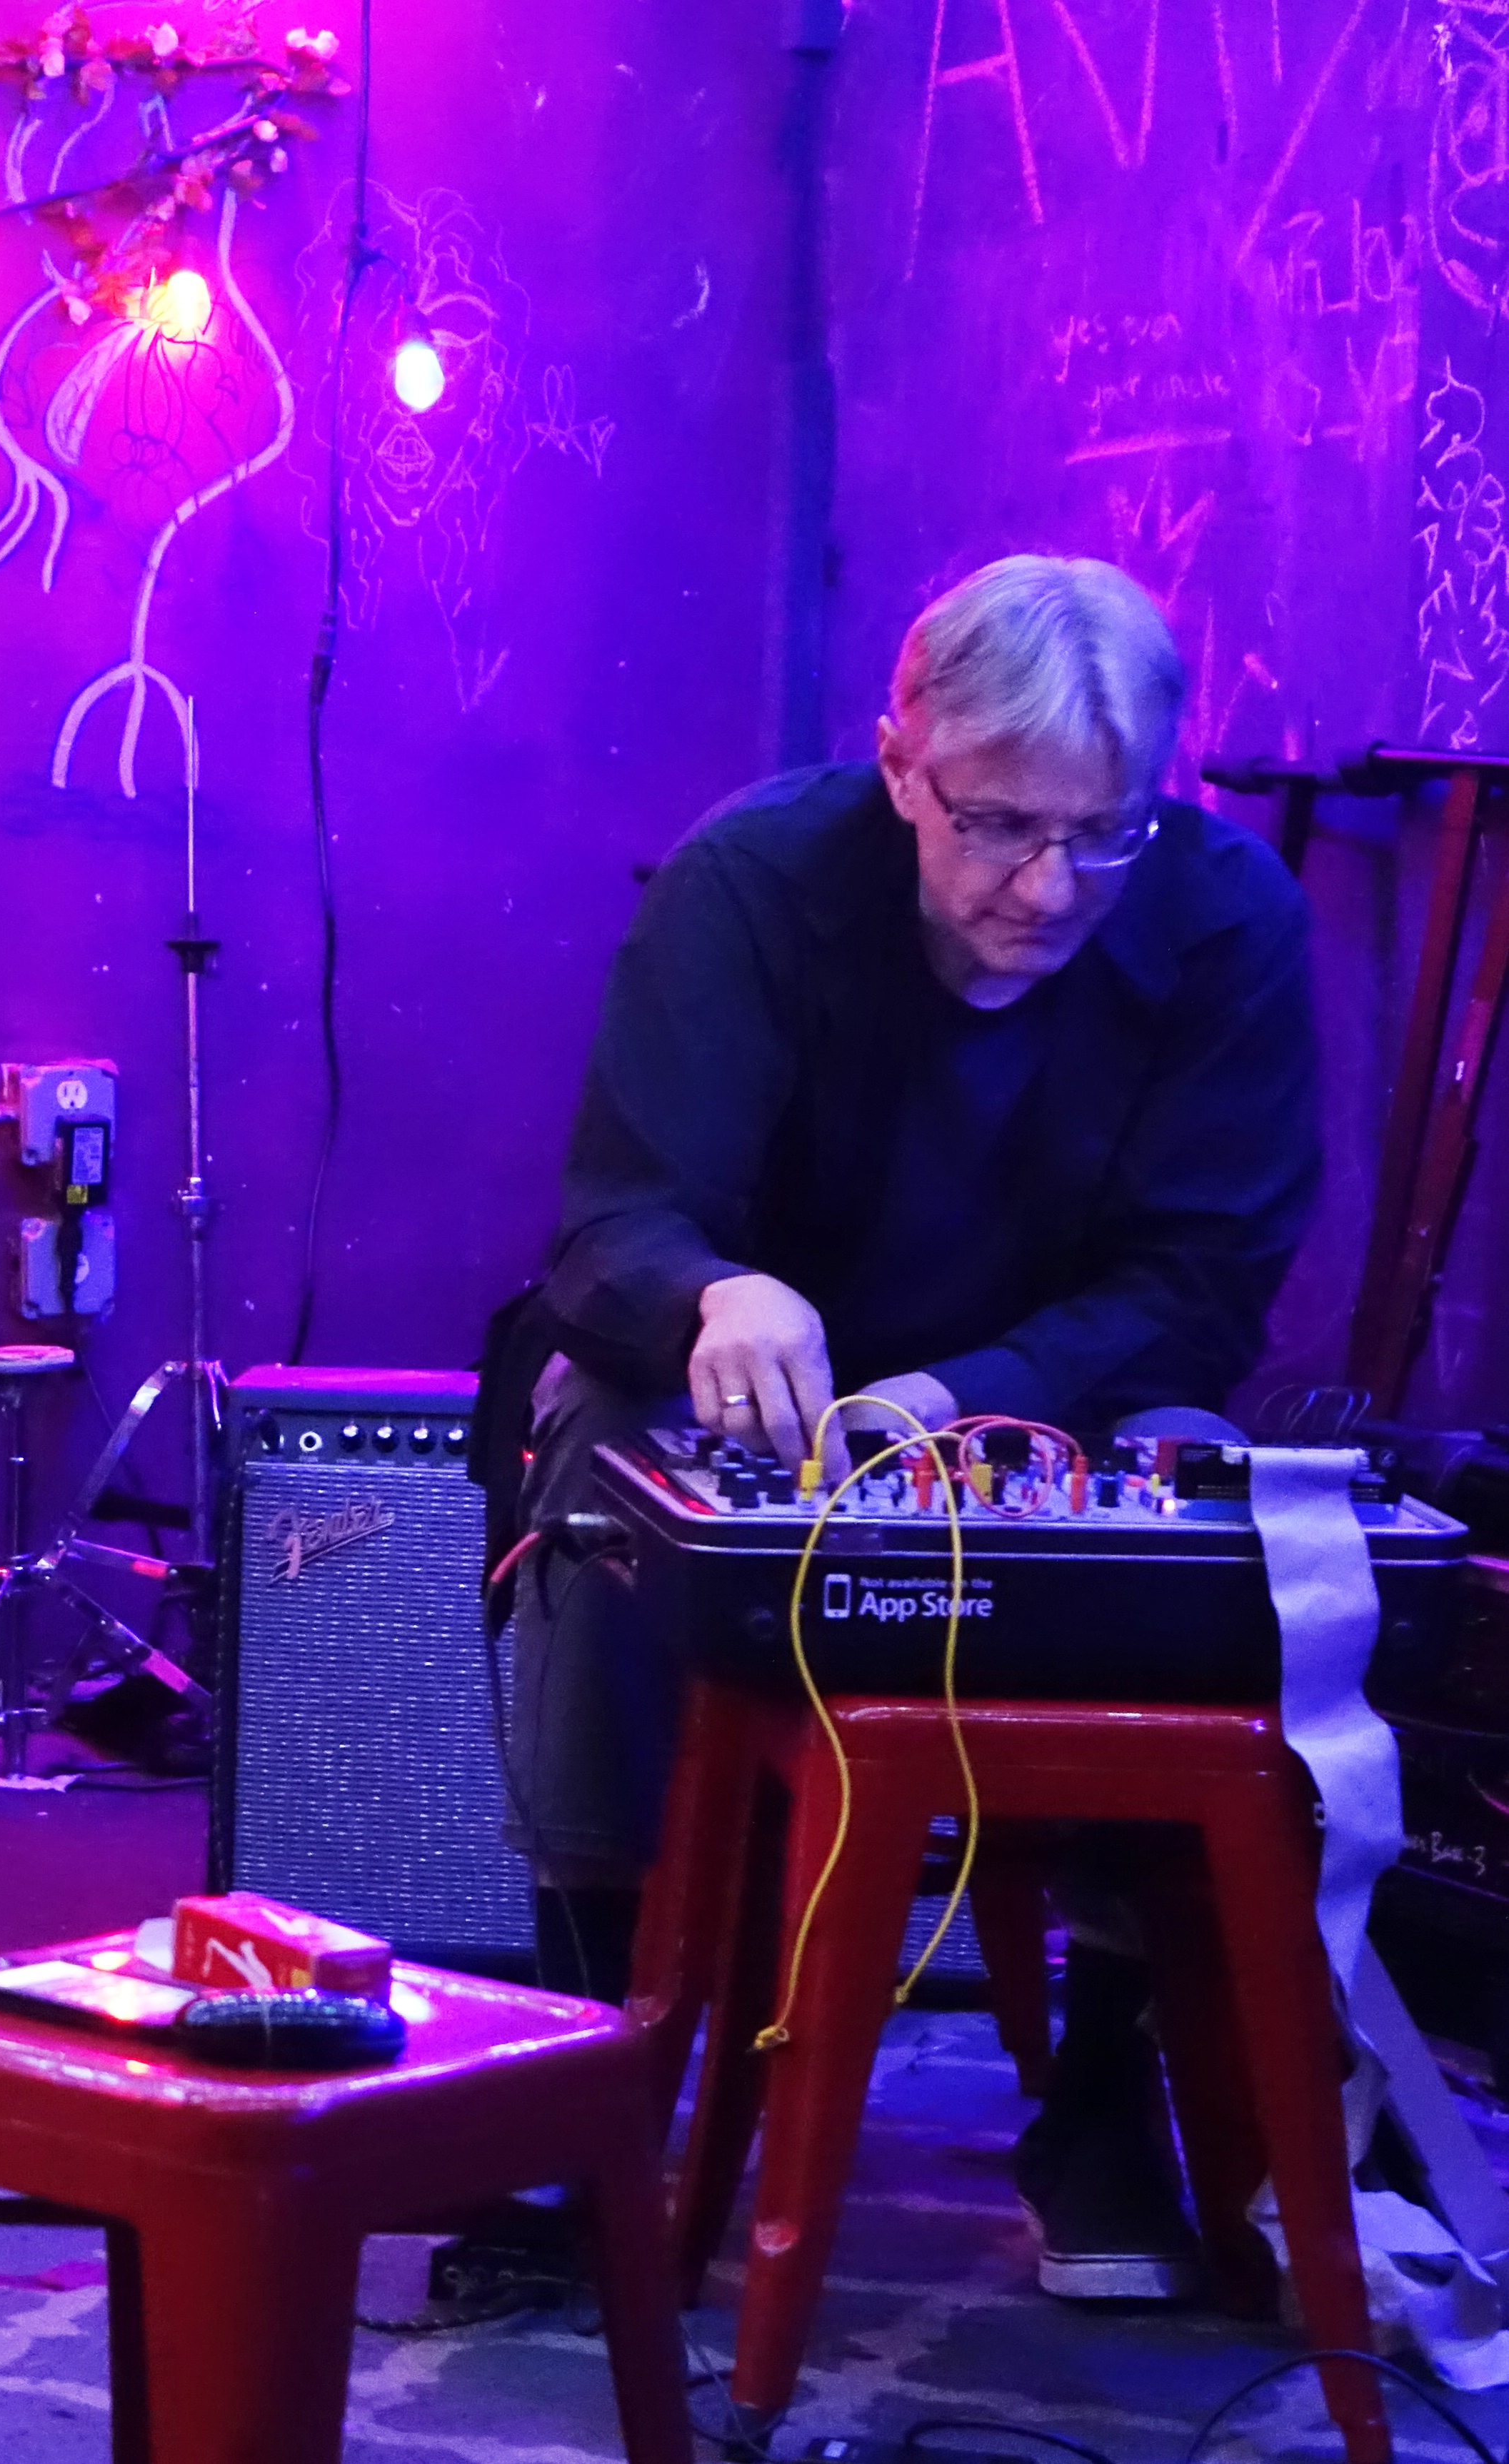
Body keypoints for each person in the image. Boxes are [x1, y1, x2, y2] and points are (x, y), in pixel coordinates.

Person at [501, 553, 1317, 2303]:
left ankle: (1106, 2093)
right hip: (762, 1373)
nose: (1050, 886)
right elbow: (613, 1223)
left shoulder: (1228, 920)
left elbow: (1202, 1279)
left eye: (1107, 835)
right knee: (602, 1462)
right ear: (901, 767)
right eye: (1003, 825)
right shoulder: (751, 882)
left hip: (1066, 1388)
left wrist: (960, 1400)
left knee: (1205, 1508)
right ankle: (586, 2074)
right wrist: (717, 1291)